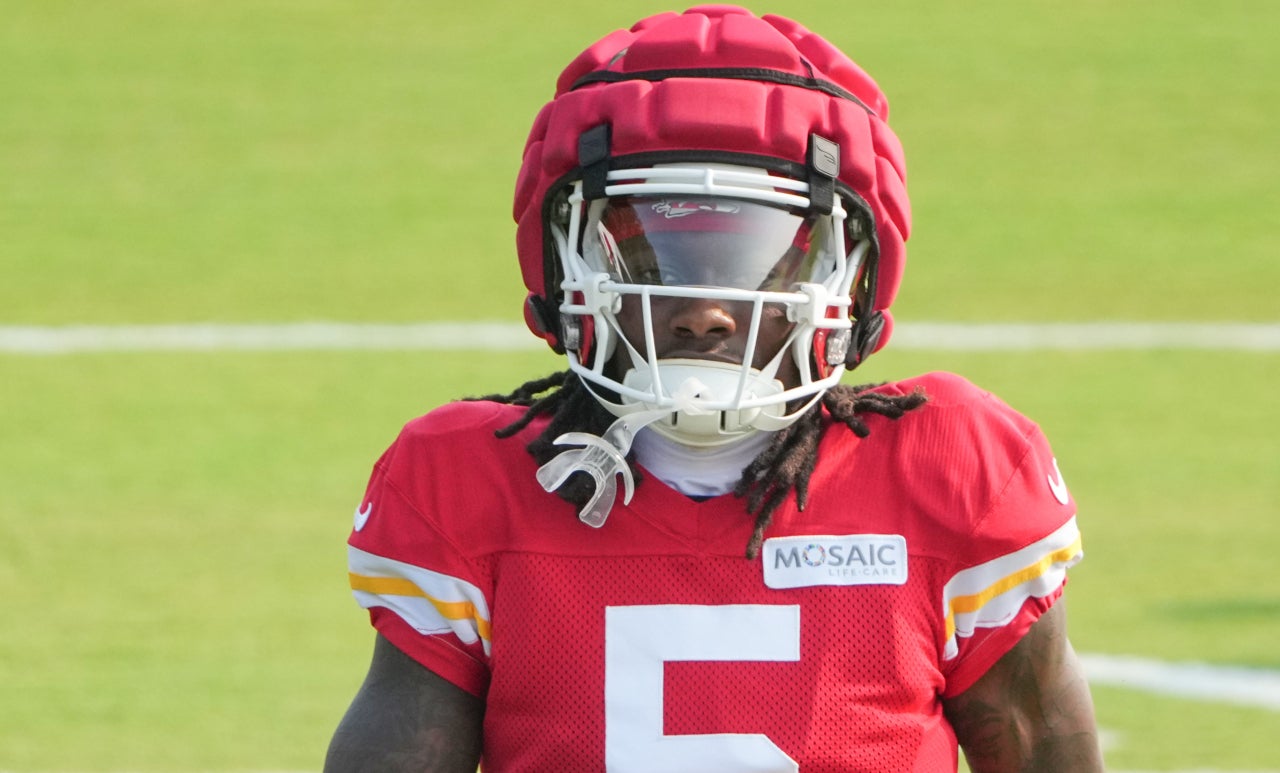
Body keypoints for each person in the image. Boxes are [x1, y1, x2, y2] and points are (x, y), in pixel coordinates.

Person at [324, 6, 1105, 772]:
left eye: (757, 258)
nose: (704, 310)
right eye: (653, 254)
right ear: (565, 271)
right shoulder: (470, 481)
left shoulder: (952, 468)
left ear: (851, 277)